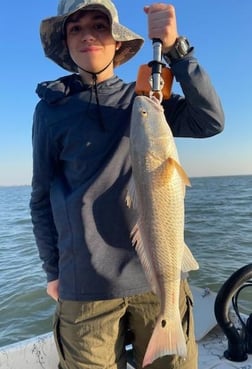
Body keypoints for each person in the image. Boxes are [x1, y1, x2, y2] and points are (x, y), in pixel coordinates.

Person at [30, 0, 224, 368]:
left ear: (118, 42)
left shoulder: (147, 100)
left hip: (159, 283)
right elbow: (40, 198)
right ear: (66, 43)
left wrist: (176, 51)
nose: (87, 34)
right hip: (85, 287)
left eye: (99, 26)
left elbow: (210, 121)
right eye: (75, 28)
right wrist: (52, 270)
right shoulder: (51, 110)